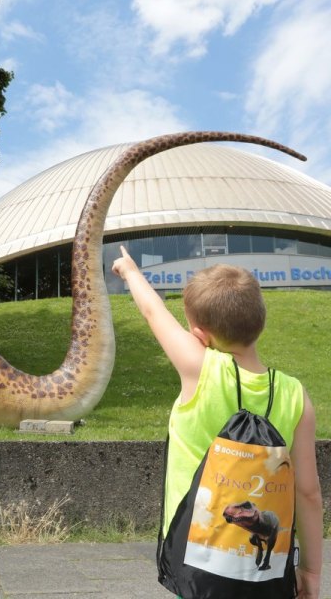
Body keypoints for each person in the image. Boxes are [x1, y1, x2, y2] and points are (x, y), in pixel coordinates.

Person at [111, 246, 322, 599]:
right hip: (266, 577)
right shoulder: (295, 395)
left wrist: (131, 271)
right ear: (261, 322)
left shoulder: (200, 369)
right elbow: (309, 493)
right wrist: (311, 570)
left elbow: (153, 311)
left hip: (198, 564)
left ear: (199, 334)